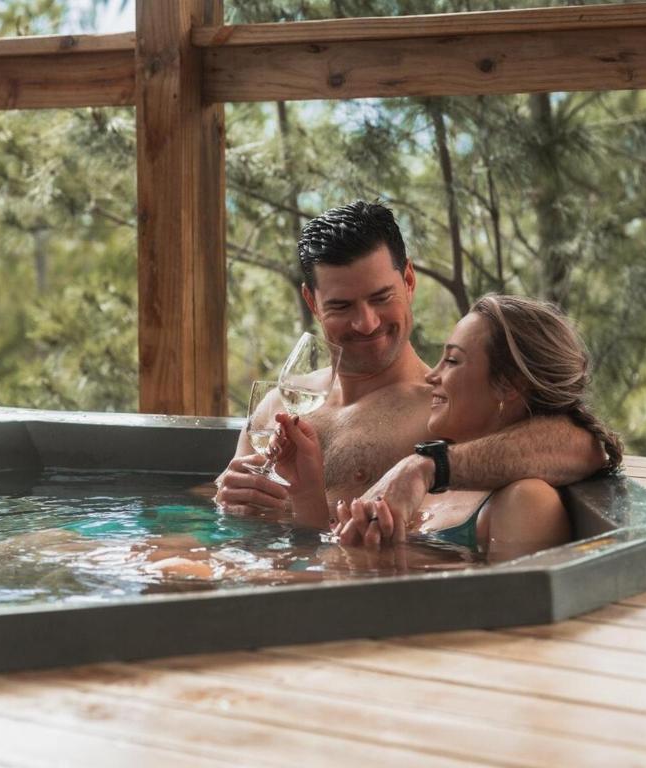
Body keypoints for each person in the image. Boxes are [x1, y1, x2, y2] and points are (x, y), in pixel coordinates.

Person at [215, 200, 607, 528]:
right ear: (312, 302)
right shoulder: (278, 408)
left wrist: (427, 465)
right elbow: (232, 527)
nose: (366, 322)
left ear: (409, 281)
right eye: (341, 305)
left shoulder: (448, 411)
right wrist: (227, 502)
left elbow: (582, 446)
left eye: (381, 297)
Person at [274, 294, 624, 560]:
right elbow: (327, 571)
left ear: (509, 386)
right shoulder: (429, 481)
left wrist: (383, 562)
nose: (432, 374)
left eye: (453, 360)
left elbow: (512, 623)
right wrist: (306, 491)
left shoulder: (524, 502)